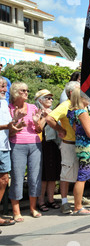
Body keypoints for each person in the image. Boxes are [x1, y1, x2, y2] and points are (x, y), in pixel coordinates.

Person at [8, 82, 45, 221]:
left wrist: (36, 122)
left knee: (35, 177)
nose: (26, 92)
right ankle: (16, 211)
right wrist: (16, 121)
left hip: (35, 144)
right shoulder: (9, 108)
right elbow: (9, 132)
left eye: (27, 90)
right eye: (23, 90)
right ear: (15, 92)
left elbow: (39, 130)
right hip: (17, 145)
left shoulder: (33, 107)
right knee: (17, 178)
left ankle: (33, 208)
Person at [46, 81, 80, 214]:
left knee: (79, 173)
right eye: (79, 89)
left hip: (80, 144)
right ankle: (65, 202)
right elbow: (50, 118)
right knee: (66, 174)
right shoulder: (65, 105)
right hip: (69, 144)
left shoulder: (79, 104)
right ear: (71, 92)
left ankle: (78, 197)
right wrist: (61, 129)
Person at [35, 90, 61, 212]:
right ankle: (40, 201)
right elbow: (38, 128)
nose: (51, 100)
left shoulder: (53, 111)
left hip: (53, 144)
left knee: (52, 174)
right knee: (44, 175)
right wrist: (46, 117)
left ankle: (50, 199)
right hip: (41, 144)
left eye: (51, 98)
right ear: (40, 100)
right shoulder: (36, 112)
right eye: (47, 98)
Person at [0, 78, 19, 229]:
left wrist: (16, 124)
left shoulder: (4, 103)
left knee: (4, 180)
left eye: (5, 86)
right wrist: (7, 125)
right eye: (2, 86)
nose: (5, 90)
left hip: (4, 146)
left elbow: (8, 127)